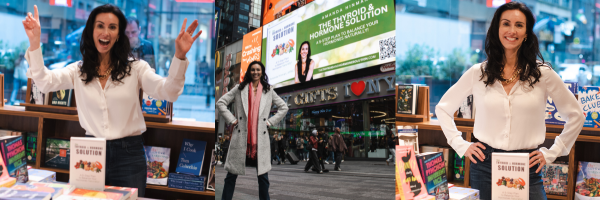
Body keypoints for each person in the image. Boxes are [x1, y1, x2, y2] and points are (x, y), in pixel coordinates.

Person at [21, 4, 202, 197]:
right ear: (91, 30)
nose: (105, 32)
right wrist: (34, 43)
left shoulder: (136, 68)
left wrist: (180, 56)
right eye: (100, 25)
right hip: (90, 152)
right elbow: (44, 82)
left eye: (112, 27)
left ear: (119, 35)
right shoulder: (78, 70)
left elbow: (169, 92)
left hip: (129, 155)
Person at [435, 2, 584, 199]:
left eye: (519, 25)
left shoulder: (543, 75)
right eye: (506, 23)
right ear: (497, 29)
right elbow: (443, 109)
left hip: (528, 165)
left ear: (527, 33)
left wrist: (551, 153)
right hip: (484, 164)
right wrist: (461, 145)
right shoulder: (477, 73)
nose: (512, 31)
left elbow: (576, 116)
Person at [216, 60, 288, 200]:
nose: (255, 72)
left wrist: (269, 122)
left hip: (259, 140)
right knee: (231, 176)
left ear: (262, 72)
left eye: (258, 70)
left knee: (263, 179)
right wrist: (233, 120)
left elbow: (284, 107)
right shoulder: (239, 88)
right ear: (249, 72)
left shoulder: (268, 90)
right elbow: (221, 103)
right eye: (253, 70)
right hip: (241, 138)